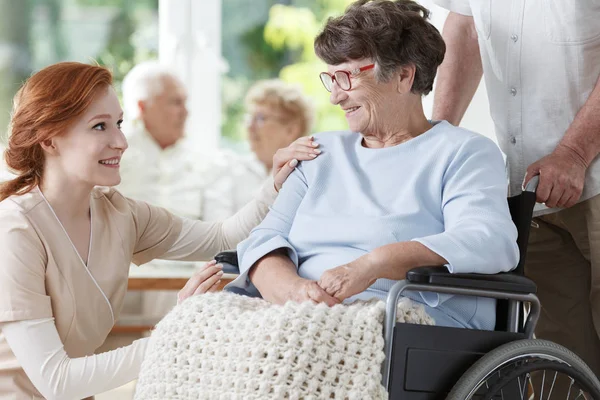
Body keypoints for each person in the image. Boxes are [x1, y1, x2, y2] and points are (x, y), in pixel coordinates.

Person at [0, 61, 318, 399]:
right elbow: (58, 382)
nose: (120, 141)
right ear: (49, 140)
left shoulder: (119, 214)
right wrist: (175, 331)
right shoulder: (16, 231)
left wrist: (275, 183)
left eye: (119, 124)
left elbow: (223, 238)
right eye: (99, 127)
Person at [228, 0, 519, 331]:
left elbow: (488, 239)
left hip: (406, 317)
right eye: (331, 79)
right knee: (196, 319)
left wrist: (376, 263)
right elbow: (264, 239)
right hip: (299, 312)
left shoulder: (463, 153)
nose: (334, 97)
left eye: (346, 77)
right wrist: (294, 292)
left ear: (403, 75)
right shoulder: (320, 152)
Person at [431, 0, 600, 375]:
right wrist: (436, 139)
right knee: (562, 362)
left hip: (591, 170)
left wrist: (574, 154)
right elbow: (466, 27)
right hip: (529, 184)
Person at [244, 79, 315, 174]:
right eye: (250, 117)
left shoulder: (307, 176)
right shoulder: (231, 170)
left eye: (260, 118)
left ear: (291, 130)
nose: (250, 126)